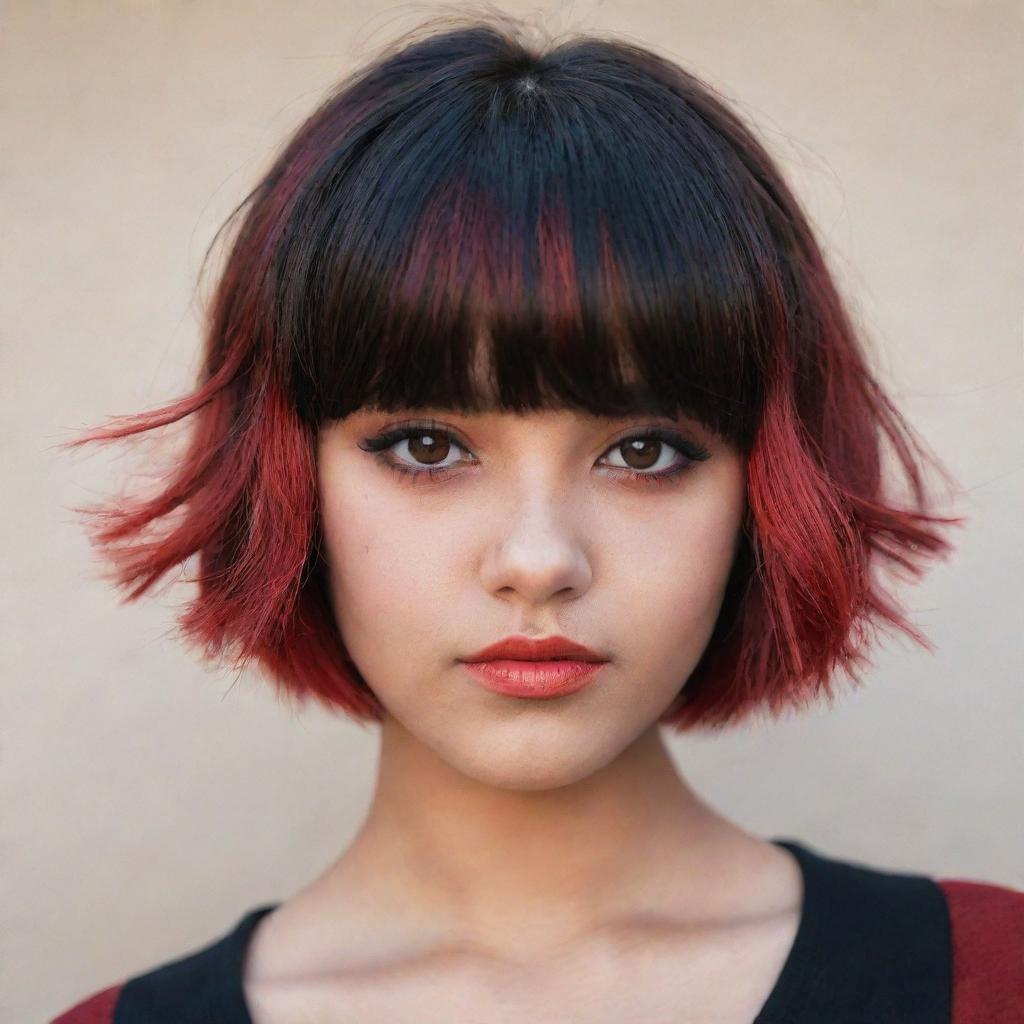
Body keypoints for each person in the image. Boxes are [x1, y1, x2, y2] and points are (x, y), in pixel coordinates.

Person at [51, 14, 1022, 1024]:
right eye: (426, 446)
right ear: (286, 476)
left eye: (642, 451)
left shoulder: (989, 982)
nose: (537, 560)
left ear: (764, 489)